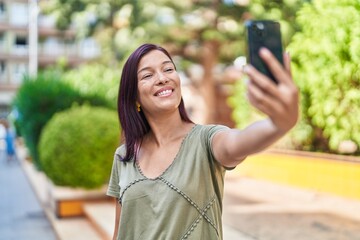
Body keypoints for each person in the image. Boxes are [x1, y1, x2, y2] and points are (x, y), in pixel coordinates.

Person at [106, 43, 298, 240]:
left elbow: (238, 142)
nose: (162, 78)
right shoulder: (124, 156)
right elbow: (120, 228)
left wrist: (279, 124)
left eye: (168, 69)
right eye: (147, 75)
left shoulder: (206, 140)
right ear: (134, 97)